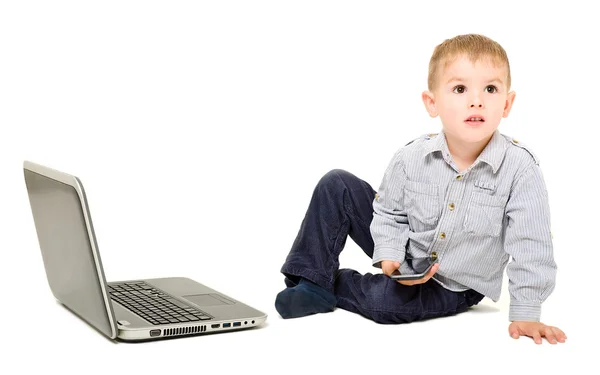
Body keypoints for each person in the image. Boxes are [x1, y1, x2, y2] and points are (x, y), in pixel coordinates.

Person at [274, 33, 567, 345]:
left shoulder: (520, 169)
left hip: (453, 284)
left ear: (507, 103)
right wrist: (389, 255)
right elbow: (388, 212)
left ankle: (325, 281)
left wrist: (526, 312)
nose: (476, 100)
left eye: (490, 89)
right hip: (407, 253)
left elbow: (531, 244)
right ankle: (312, 278)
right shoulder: (411, 157)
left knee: (385, 304)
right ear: (432, 103)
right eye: (459, 89)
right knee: (337, 183)